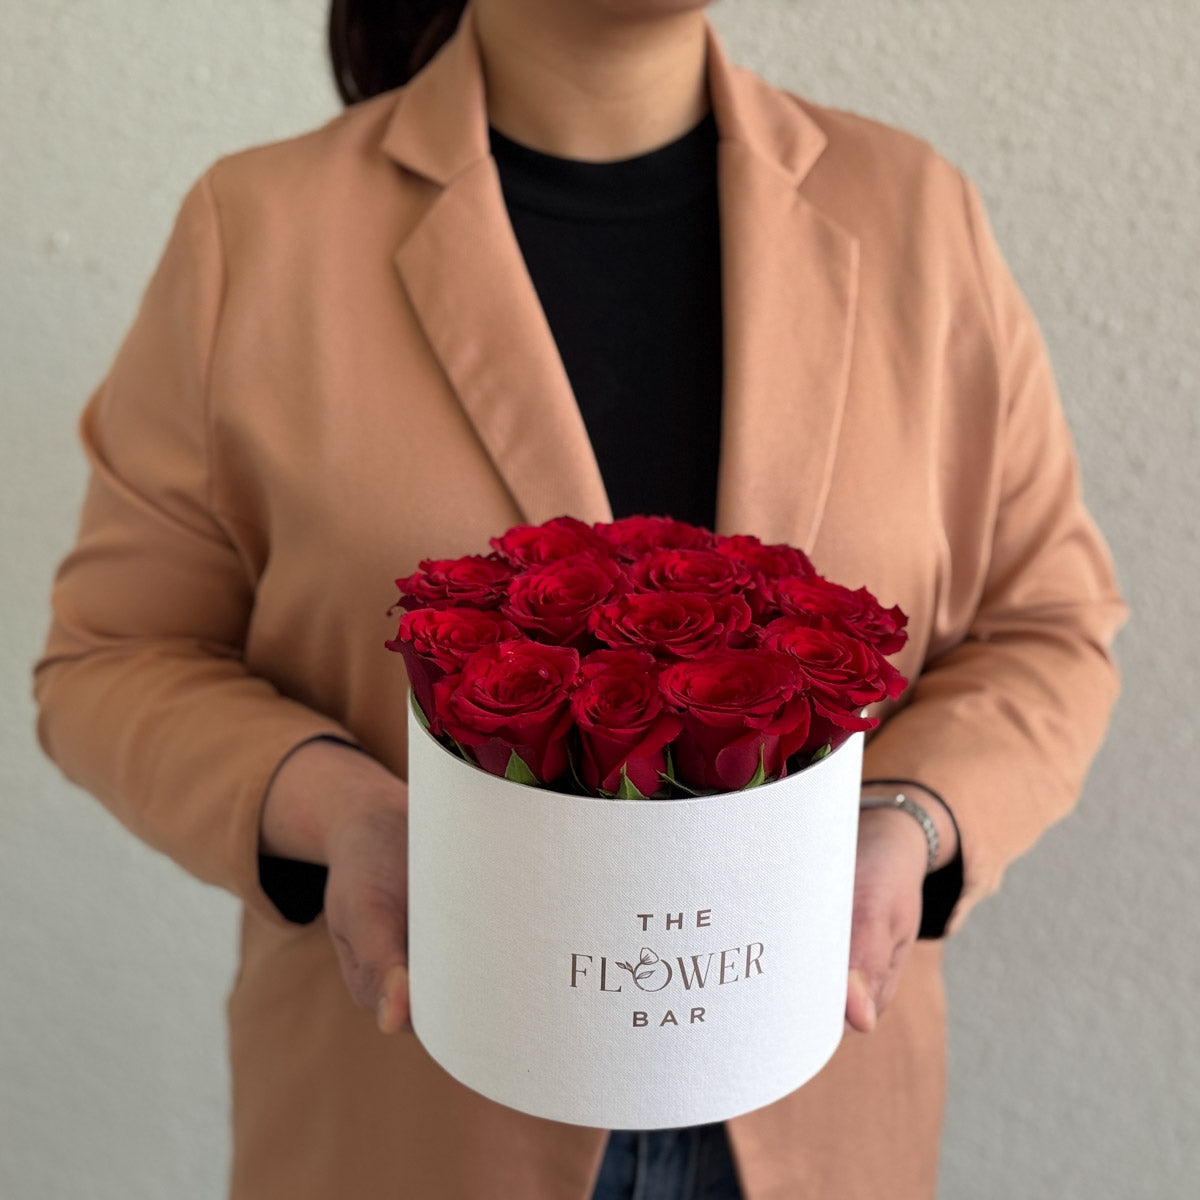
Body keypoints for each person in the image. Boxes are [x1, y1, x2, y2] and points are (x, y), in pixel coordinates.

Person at [33, 1, 1125, 1197]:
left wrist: (910, 824)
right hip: (410, 1115)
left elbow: (1050, 627)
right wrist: (340, 813)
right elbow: (116, 654)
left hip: (820, 1109)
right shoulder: (258, 232)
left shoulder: (917, 216)